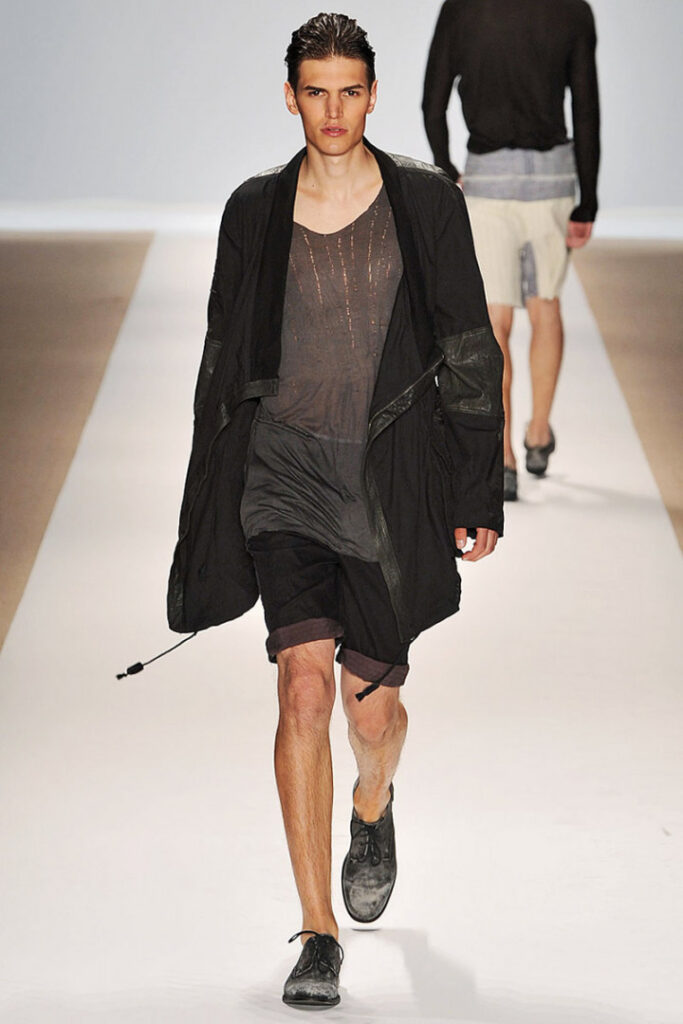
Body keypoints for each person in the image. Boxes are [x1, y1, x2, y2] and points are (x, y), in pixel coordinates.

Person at [168, 13, 503, 1008]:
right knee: (302, 693)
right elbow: (223, 361)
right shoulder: (253, 211)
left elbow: (467, 344)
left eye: (348, 91)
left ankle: (372, 800)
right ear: (290, 96)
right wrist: (209, 495)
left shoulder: (424, 204)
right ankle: (316, 931)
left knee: (372, 710)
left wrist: (474, 485)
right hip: (283, 478)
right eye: (314, 91)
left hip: (386, 485)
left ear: (371, 94)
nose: (332, 110)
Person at [423, 0, 600, 500]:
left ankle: (502, 458)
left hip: (487, 184)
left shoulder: (462, 8)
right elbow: (586, 109)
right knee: (546, 306)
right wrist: (588, 199)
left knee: (494, 320)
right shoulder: (572, 10)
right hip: (552, 181)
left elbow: (431, 102)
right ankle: (539, 434)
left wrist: (445, 169)